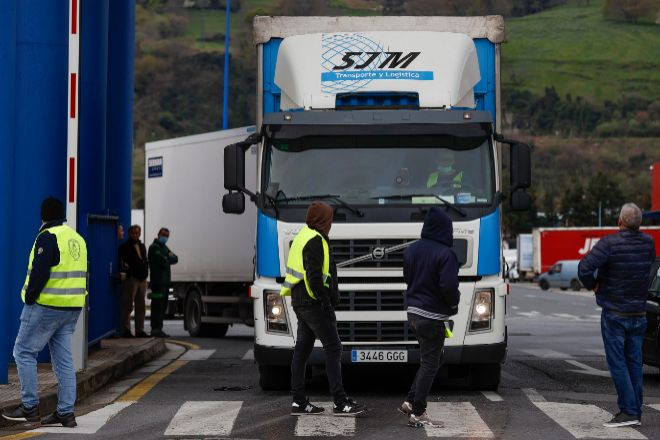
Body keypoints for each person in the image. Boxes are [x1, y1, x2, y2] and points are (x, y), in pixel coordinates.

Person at [1, 197, 87, 428]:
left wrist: (30, 297)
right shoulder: (77, 239)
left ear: (44, 216)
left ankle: (29, 407)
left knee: (23, 351)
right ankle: (66, 412)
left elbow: (39, 271)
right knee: (63, 360)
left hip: (46, 305)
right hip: (72, 308)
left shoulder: (48, 237)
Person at [280, 202, 366, 416]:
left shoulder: (303, 236)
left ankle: (298, 402)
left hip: (300, 301)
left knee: (301, 351)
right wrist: (325, 301)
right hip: (313, 303)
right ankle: (340, 402)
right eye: (330, 219)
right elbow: (315, 277)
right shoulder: (316, 241)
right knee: (334, 348)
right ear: (324, 221)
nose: (331, 223)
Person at [578, 203, 655, 428]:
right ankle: (635, 410)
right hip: (639, 312)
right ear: (639, 223)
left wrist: (595, 286)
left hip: (614, 312)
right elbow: (648, 267)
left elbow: (584, 268)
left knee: (618, 363)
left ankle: (629, 411)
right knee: (634, 362)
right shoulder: (648, 243)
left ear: (620, 221)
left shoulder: (609, 243)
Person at [399, 206, 460, 428]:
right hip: (433, 315)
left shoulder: (411, 250)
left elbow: (408, 277)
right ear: (445, 230)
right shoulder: (446, 254)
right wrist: (453, 303)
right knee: (431, 363)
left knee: (431, 359)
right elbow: (449, 286)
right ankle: (418, 411)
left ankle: (409, 401)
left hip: (413, 312)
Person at [118, 225, 149, 338]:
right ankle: (126, 330)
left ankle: (139, 330)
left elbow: (144, 260)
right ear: (129, 233)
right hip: (132, 279)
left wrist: (145, 272)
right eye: (133, 233)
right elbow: (125, 262)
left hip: (142, 279)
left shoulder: (142, 246)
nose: (135, 235)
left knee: (141, 306)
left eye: (137, 233)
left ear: (139, 234)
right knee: (128, 305)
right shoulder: (125, 247)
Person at [148, 227, 178, 338]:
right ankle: (155, 329)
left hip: (165, 282)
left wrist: (167, 258)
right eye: (163, 235)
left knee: (163, 306)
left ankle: (159, 328)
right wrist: (167, 258)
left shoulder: (164, 248)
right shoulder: (154, 247)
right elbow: (161, 261)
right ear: (158, 234)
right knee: (157, 306)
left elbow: (175, 258)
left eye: (167, 236)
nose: (165, 237)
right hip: (157, 282)